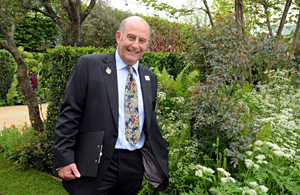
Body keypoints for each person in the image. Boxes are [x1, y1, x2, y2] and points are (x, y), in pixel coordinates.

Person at [54, 16, 169, 195]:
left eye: (142, 41)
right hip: (95, 162)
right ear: (118, 37)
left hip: (133, 165)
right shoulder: (89, 65)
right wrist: (64, 158)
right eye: (131, 37)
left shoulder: (150, 78)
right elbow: (70, 114)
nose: (136, 45)